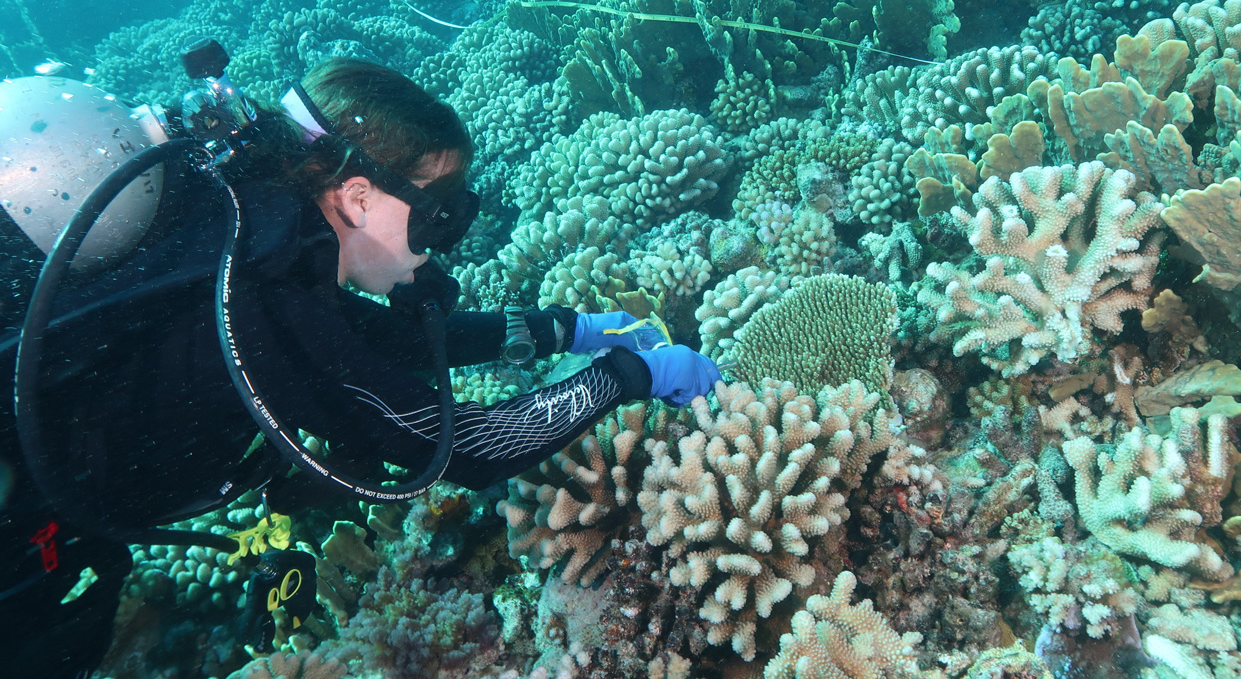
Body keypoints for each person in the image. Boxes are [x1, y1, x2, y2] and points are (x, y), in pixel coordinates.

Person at [0, 54, 721, 675]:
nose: (438, 246)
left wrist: (575, 327)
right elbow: (460, 447)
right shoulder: (269, 297)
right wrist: (633, 376)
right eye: (438, 215)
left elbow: (393, 344)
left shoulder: (256, 231)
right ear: (357, 195)